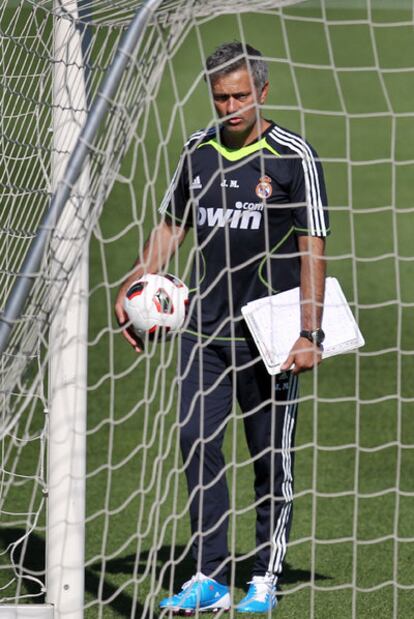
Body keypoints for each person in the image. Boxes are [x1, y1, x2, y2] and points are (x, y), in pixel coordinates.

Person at [115, 41, 329, 614]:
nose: (230, 107)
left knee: (270, 461)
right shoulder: (196, 151)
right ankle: (208, 574)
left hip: (271, 338)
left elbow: (313, 250)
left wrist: (311, 333)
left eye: (240, 95)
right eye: (220, 97)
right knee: (196, 442)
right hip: (204, 335)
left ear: (262, 91)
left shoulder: (293, 158)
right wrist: (137, 285)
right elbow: (170, 228)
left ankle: (264, 575)